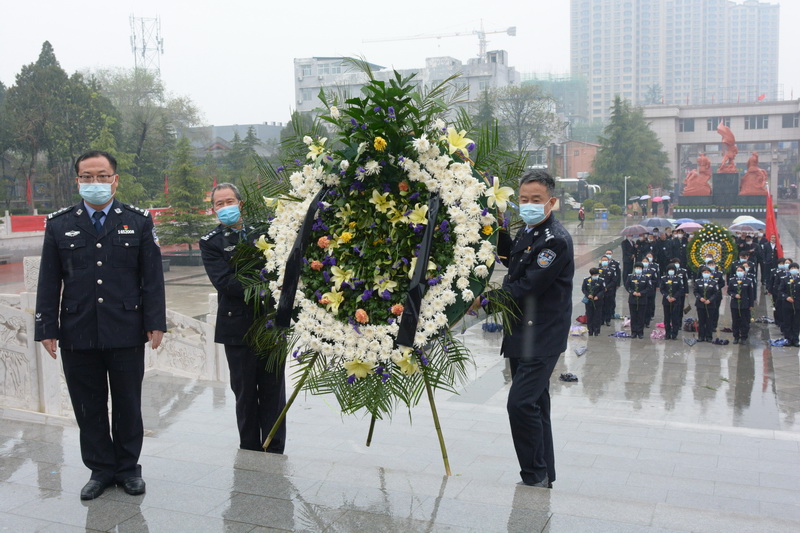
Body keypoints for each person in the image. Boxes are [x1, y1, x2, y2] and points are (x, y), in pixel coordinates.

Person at [34, 150, 166, 500]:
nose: (95, 182)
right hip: (77, 329)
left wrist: (156, 322)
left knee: (127, 402)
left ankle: (127, 469)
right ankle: (100, 469)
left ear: (115, 179)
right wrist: (46, 327)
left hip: (125, 327)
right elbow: (49, 281)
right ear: (77, 180)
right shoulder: (60, 223)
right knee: (87, 405)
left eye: (102, 176)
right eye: (87, 176)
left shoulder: (138, 221)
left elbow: (151, 277)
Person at [479, 170, 574, 488]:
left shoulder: (555, 241)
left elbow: (528, 285)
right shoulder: (528, 232)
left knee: (520, 403)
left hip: (542, 335)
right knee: (536, 404)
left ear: (552, 202)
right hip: (521, 332)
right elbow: (510, 257)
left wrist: (483, 302)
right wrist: (488, 226)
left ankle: (533, 474)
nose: (529, 205)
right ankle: (544, 472)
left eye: (536, 200)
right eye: (523, 199)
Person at [200, 183, 287, 453]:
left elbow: (282, 266)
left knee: (274, 393)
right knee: (245, 393)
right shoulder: (211, 242)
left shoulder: (267, 231)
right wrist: (266, 286)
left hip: (271, 323)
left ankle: (274, 449)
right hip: (236, 327)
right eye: (219, 204)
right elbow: (225, 282)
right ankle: (249, 449)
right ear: (214, 209)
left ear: (241, 204)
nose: (225, 207)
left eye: (229, 201)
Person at [728, 264, 756, 344]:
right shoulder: (732, 280)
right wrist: (734, 295)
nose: (739, 272)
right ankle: (736, 337)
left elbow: (751, 294)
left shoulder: (748, 281)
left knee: (745, 321)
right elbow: (729, 291)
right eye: (738, 271)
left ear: (744, 271)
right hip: (735, 304)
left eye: (741, 271)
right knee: (735, 321)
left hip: (745, 304)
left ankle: (744, 336)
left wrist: (751, 305)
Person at [626, 262, 652, 338]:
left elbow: (648, 287)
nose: (638, 269)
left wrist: (641, 293)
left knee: (641, 316)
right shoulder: (630, 277)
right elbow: (627, 286)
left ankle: (640, 332)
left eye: (639, 268)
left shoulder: (646, 278)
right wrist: (632, 292)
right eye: (637, 268)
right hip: (632, 299)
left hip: (642, 300)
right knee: (633, 316)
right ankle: (633, 332)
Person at [659, 264, 685, 340]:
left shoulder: (678, 279)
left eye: (672, 270)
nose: (671, 271)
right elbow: (662, 289)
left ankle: (674, 334)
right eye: (669, 270)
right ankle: (667, 333)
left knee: (675, 318)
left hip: (676, 301)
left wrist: (674, 297)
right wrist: (667, 296)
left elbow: (681, 289)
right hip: (666, 301)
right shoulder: (664, 279)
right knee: (667, 318)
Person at [694, 266, 719, 342]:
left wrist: (710, 300)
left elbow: (716, 293)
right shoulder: (698, 281)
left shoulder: (714, 282)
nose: (706, 274)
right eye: (704, 272)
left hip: (710, 305)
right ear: (702, 273)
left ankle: (709, 336)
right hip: (700, 304)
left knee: (709, 321)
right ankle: (701, 336)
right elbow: (695, 291)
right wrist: (700, 298)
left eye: (707, 272)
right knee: (701, 321)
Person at [779, 262, 800, 347]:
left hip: (797, 305)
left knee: (796, 322)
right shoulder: (785, 279)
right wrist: (786, 297)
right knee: (787, 322)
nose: (794, 270)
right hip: (787, 305)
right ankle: (788, 339)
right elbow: (780, 291)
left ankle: (795, 339)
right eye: (792, 268)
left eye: (795, 268)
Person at [582, 267, 605, 336]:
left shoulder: (601, 281)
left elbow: (603, 290)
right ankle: (590, 330)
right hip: (589, 301)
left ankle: (596, 330)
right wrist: (588, 295)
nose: (595, 276)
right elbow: (584, 289)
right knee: (589, 316)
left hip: (598, 301)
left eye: (596, 275)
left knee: (597, 316)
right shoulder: (586, 280)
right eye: (594, 275)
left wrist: (598, 296)